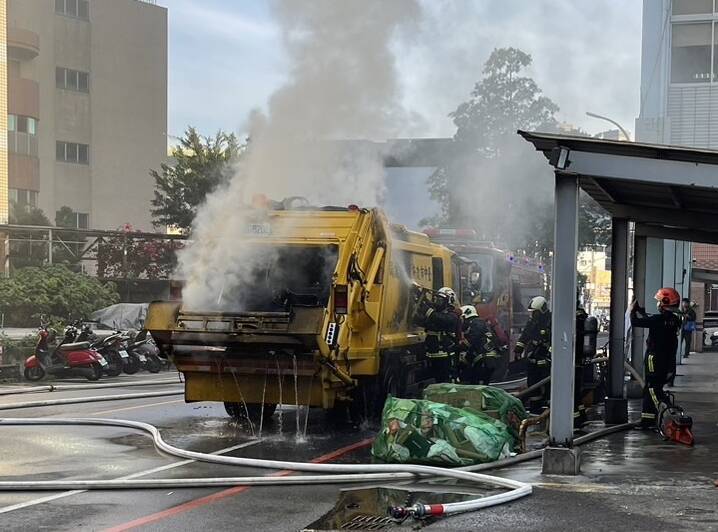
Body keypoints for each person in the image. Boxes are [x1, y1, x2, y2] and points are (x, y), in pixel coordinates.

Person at [630, 288, 682, 429]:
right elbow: (651, 320)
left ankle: (669, 410)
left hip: (655, 358)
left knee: (652, 389)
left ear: (664, 302)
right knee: (651, 388)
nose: (657, 304)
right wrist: (640, 311)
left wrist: (632, 310)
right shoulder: (674, 320)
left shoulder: (659, 319)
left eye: (659, 301)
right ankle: (648, 421)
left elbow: (636, 322)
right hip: (666, 361)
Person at [514, 296, 552, 413]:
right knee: (533, 385)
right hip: (533, 359)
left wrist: (549, 358)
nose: (532, 315)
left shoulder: (550, 321)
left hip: (546, 361)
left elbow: (555, 341)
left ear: (542, 310)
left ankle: (549, 409)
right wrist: (518, 349)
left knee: (548, 385)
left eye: (534, 312)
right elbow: (525, 335)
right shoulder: (532, 322)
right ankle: (536, 410)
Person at [417, 286, 462, 383]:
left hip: (446, 356)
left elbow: (439, 319)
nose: (437, 302)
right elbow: (427, 320)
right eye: (436, 299)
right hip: (434, 355)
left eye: (440, 300)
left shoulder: (452, 316)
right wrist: (419, 295)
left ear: (448, 301)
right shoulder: (439, 313)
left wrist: (427, 310)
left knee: (447, 382)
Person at [460, 305, 499, 385]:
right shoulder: (481, 323)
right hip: (487, 359)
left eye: (462, 319)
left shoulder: (476, 323)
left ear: (466, 316)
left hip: (484, 360)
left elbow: (473, 340)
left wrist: (460, 347)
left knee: (478, 385)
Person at [574, 304, 588, 428]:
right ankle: (581, 417)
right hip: (579, 361)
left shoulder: (572, 320)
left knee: (572, 392)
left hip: (572, 361)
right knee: (577, 392)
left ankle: (575, 422)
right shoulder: (582, 317)